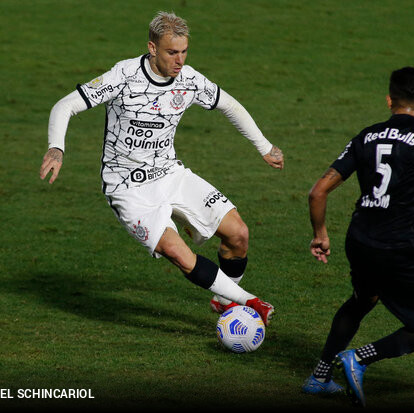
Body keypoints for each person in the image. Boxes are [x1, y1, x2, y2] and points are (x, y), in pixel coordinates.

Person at [39, 11, 284, 325]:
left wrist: (264, 147)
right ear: (152, 48)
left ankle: (225, 299)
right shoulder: (123, 76)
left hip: (170, 173)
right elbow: (66, 105)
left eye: (183, 52)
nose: (179, 60)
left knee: (238, 234)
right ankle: (251, 303)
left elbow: (228, 104)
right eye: (172, 52)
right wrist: (57, 147)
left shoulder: (189, 80)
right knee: (179, 254)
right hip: (128, 188)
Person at [302, 67, 414, 406]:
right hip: (395, 248)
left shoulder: (366, 136)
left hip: (359, 240)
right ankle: (360, 358)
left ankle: (319, 376)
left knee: (364, 299)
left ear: (389, 100)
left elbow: (318, 191)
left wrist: (320, 233)